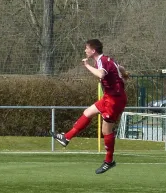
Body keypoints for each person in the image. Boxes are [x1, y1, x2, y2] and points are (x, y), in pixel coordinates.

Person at [53, 39, 129, 174]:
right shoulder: (107, 59)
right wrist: (124, 74)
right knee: (88, 112)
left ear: (93, 51)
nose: (85, 50)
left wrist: (86, 66)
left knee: (106, 131)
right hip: (109, 97)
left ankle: (109, 161)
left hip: (115, 100)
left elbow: (101, 74)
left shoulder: (101, 61)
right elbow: (120, 67)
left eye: (86, 48)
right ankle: (66, 138)